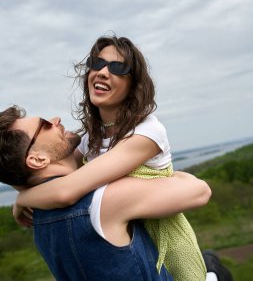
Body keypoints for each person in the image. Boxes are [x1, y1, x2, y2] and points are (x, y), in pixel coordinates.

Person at [12, 35, 226, 281]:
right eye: (97, 63)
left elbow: (67, 190)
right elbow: (58, 172)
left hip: (163, 237)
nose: (103, 72)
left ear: (133, 85)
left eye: (117, 67)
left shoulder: (145, 132)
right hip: (125, 239)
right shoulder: (91, 138)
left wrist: (23, 198)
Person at [0, 105, 214, 281]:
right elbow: (199, 191)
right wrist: (168, 175)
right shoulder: (103, 201)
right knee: (212, 265)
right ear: (38, 159)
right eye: (44, 125)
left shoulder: (37, 216)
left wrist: (24, 197)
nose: (55, 119)